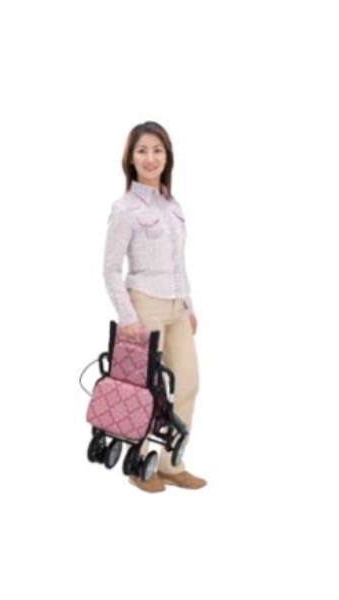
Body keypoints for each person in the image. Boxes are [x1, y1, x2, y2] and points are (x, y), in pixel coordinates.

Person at [103, 121, 206, 493]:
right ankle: (139, 464)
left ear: (167, 157)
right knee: (145, 390)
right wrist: (128, 317)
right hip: (144, 304)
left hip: (177, 306)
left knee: (188, 381)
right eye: (142, 150)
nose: (150, 158)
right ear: (131, 158)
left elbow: (180, 262)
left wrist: (188, 305)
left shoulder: (172, 206)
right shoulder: (125, 209)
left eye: (157, 150)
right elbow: (110, 269)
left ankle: (171, 464)